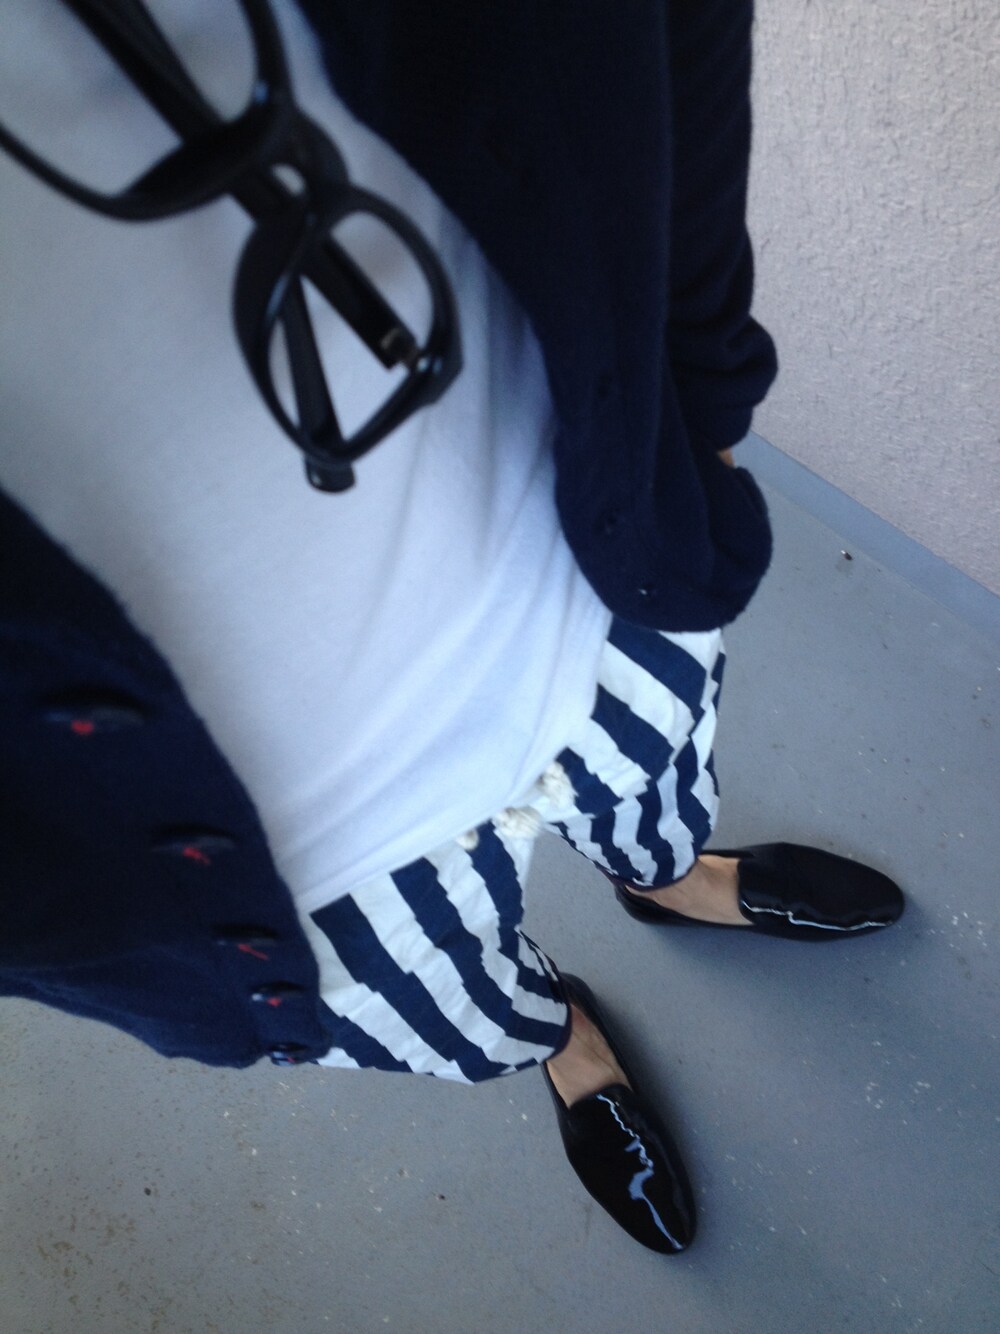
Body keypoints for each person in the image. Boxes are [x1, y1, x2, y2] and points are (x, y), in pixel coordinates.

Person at [0, 0, 903, 1255]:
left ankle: (671, 880)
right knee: (460, 1009)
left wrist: (705, 401)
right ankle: (562, 1040)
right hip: (275, 883)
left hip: (586, 553)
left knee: (661, 783)